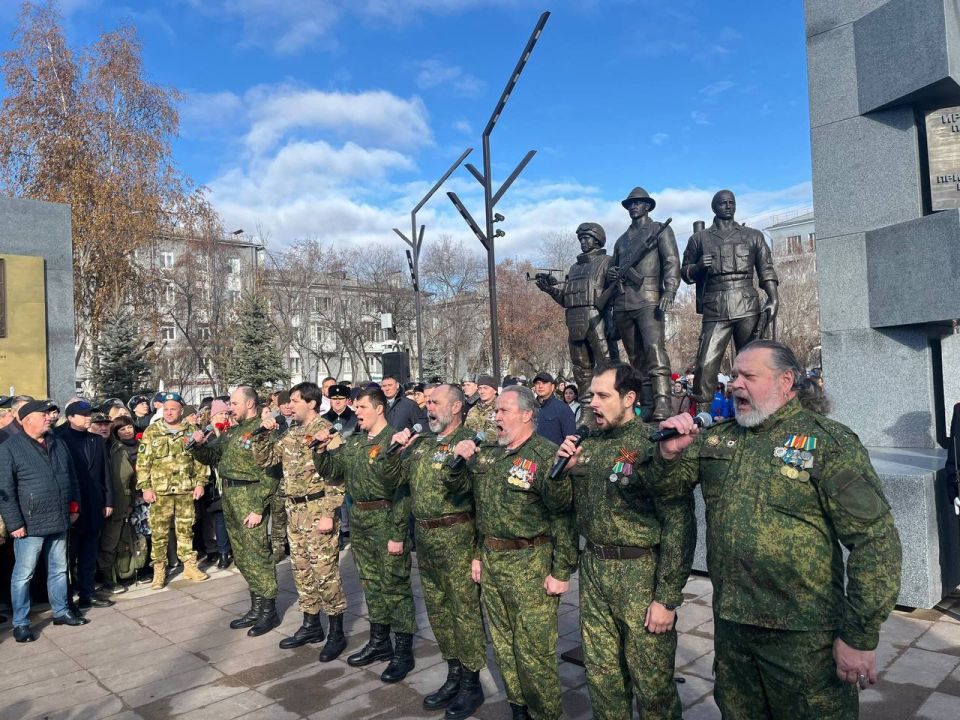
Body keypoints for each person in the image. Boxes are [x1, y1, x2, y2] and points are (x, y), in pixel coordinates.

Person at [650, 340, 902, 719]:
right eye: (734, 375)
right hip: (734, 631)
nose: (735, 384)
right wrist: (668, 455)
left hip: (805, 638)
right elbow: (666, 491)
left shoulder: (827, 443)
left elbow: (876, 541)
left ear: (787, 381)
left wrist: (859, 636)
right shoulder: (720, 438)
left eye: (749, 376)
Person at [550, 361, 694, 719]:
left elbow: (679, 523)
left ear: (629, 398)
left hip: (640, 573)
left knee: (653, 685)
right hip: (596, 569)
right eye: (590, 396)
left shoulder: (652, 445)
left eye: (602, 395)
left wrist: (667, 597)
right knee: (602, 678)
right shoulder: (587, 444)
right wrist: (560, 474)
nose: (592, 403)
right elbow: (563, 509)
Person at [446, 386, 578, 720]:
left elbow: (562, 516)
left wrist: (562, 571)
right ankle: (519, 709)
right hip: (493, 562)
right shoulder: (491, 455)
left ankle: (545, 713)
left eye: (504, 411)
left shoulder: (546, 455)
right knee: (504, 646)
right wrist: (459, 461)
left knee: (535, 652)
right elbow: (479, 508)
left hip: (530, 565)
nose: (496, 417)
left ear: (527, 413)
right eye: (496, 411)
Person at [390, 385, 486, 719]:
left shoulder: (473, 442)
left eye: (434, 402)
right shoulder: (423, 444)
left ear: (456, 406)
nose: (427, 408)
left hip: (458, 538)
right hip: (427, 541)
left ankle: (472, 683)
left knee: (465, 614)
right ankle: (454, 674)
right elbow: (396, 484)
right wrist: (397, 450)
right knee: (439, 613)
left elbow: (483, 504)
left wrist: (478, 552)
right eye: (426, 402)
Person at [312, 388, 416, 683]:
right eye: (355, 407)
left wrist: (397, 534)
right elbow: (332, 471)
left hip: (386, 519)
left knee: (395, 586)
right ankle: (380, 641)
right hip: (360, 520)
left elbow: (402, 492)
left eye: (361, 407)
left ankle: (403, 651)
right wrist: (319, 449)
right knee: (371, 584)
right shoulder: (355, 442)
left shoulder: (395, 441)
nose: (355, 411)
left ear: (379, 408)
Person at [253, 382, 348, 662]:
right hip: (295, 513)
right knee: (302, 571)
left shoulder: (326, 432)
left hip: (318, 510)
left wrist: (329, 513)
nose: (289, 405)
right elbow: (266, 460)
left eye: (295, 401)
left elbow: (337, 476)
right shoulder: (291, 434)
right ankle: (311, 625)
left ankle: (336, 632)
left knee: (325, 574)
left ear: (311, 403)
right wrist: (262, 434)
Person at [192, 386, 281, 636]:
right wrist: (198, 446)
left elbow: (271, 472)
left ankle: (268, 611)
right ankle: (256, 606)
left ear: (250, 404)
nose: (229, 407)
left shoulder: (263, 431)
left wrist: (257, 507)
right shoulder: (232, 431)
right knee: (242, 555)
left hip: (250, 496)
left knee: (257, 554)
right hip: (230, 496)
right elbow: (213, 456)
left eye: (234, 403)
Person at [0, 400, 88, 642]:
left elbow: (71, 478)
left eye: (50, 415)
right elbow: (4, 488)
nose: (49, 418)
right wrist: (14, 523)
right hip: (29, 524)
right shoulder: (10, 448)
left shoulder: (57, 442)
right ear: (26, 419)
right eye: (43, 415)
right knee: (23, 575)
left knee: (59, 570)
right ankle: (21, 622)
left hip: (59, 517)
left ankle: (60, 612)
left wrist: (74, 505)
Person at [681, 190, 779, 403]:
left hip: (747, 303)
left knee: (753, 364)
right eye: (723, 203)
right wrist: (698, 267)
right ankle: (702, 419)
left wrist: (773, 297)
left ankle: (757, 412)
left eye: (731, 202)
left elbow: (766, 269)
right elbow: (685, 274)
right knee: (705, 364)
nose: (728, 206)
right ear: (714, 207)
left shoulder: (753, 235)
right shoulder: (699, 239)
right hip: (715, 305)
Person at [605, 187, 680, 420]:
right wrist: (612, 273)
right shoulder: (621, 241)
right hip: (623, 304)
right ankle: (647, 405)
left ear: (647, 206)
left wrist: (670, 290)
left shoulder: (659, 231)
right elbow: (612, 272)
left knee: (655, 350)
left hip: (649, 299)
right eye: (630, 204)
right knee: (636, 358)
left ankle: (664, 403)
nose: (633, 207)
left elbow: (671, 261)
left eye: (638, 203)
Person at [535, 222, 616, 421]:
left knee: (606, 366)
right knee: (581, 369)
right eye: (580, 239)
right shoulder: (574, 267)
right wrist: (550, 290)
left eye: (587, 238)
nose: (583, 242)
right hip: (574, 322)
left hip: (597, 322)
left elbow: (616, 293)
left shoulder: (607, 262)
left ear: (597, 240)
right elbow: (567, 299)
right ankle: (588, 412)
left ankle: (611, 409)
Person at [136, 392, 207, 589]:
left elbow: (200, 459)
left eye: (172, 409)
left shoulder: (191, 430)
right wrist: (145, 487)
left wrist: (200, 482)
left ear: (181, 411)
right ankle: (159, 571)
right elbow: (143, 462)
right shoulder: (152, 431)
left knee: (186, 528)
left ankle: (189, 565)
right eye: (165, 409)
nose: (168, 413)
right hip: (160, 491)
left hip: (185, 489)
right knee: (159, 532)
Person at [54, 401, 115, 610]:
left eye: (89, 413)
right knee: (69, 557)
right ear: (70, 418)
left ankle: (88, 593)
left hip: (95, 504)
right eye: (83, 415)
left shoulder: (96, 440)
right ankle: (68, 598)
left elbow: (105, 472)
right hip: (72, 507)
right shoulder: (60, 440)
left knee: (90, 553)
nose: (88, 417)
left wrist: (108, 500)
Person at [98, 416, 138, 594]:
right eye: (98, 424)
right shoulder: (87, 446)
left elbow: (129, 478)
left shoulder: (119, 448)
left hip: (118, 504)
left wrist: (129, 500)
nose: (103, 428)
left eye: (106, 424)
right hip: (92, 506)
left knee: (111, 544)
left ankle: (110, 578)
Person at [531, 372, 576, 445]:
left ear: (552, 387)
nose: (540, 386)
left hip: (554, 454)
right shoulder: (529, 407)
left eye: (544, 383)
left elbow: (570, 439)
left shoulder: (563, 409)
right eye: (537, 383)